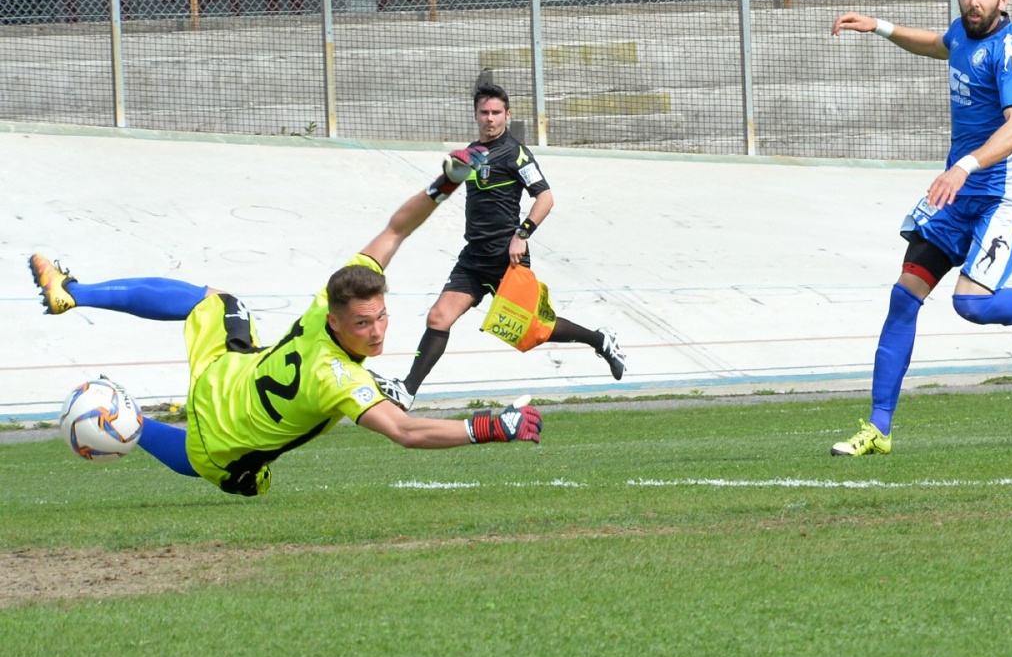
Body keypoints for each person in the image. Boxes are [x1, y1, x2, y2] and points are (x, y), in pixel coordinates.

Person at [27, 169, 543, 497]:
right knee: (206, 462)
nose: (376, 331)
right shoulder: (337, 377)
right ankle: (129, 420)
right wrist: (493, 428)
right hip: (222, 448)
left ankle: (77, 292)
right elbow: (405, 432)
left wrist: (443, 185)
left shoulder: (330, 299)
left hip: (224, 369)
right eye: (363, 324)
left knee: (216, 303)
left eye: (381, 316)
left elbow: (395, 230)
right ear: (337, 322)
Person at [826, 0, 1012, 457]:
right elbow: (939, 44)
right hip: (958, 192)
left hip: (1002, 194)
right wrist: (877, 25)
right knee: (904, 298)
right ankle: (879, 428)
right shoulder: (964, 31)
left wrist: (964, 165)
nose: (973, 1)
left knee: (970, 303)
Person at [400, 80, 625, 401]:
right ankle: (407, 391)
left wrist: (523, 234)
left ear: (507, 115)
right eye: (484, 112)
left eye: (496, 112)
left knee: (534, 330)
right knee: (438, 317)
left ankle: (599, 340)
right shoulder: (471, 154)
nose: (490, 118)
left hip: (508, 258)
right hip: (474, 259)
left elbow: (545, 198)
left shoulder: (516, 154)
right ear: (476, 115)